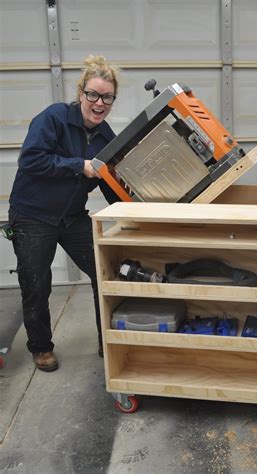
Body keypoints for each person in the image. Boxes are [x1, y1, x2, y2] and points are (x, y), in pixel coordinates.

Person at [8, 55, 120, 372]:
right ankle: (41, 347)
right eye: (93, 94)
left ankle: (109, 343)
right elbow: (31, 161)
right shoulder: (54, 118)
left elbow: (111, 180)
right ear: (80, 92)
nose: (100, 103)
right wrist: (78, 166)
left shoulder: (104, 135)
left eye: (107, 97)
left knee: (105, 273)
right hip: (33, 216)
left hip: (72, 218)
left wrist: (134, 208)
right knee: (36, 283)